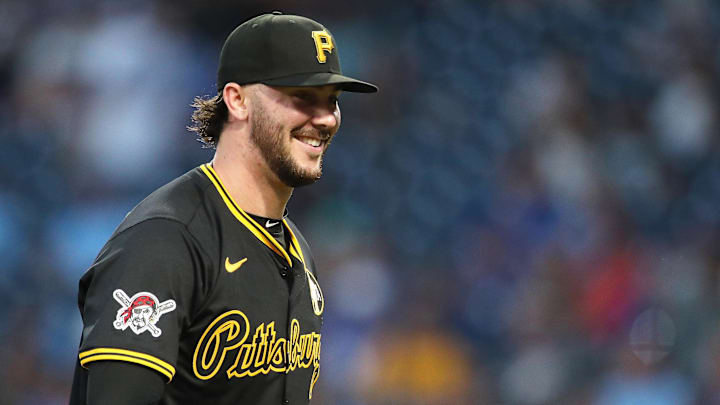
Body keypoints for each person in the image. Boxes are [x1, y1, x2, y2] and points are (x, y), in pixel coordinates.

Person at [69, 11, 377, 405]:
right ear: (237, 100)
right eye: (302, 97)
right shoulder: (167, 239)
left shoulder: (295, 247)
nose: (323, 118)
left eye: (331, 101)